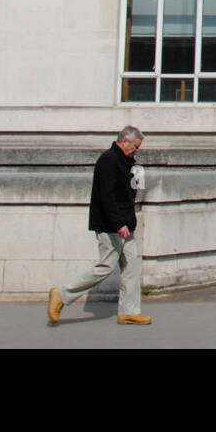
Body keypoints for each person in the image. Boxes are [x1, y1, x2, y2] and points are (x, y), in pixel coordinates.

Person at [48, 127, 150, 325]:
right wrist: (119, 223)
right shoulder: (109, 160)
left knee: (132, 266)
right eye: (136, 146)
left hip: (125, 225)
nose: (137, 150)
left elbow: (129, 194)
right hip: (110, 225)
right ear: (124, 141)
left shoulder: (128, 162)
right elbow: (107, 196)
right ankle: (61, 295)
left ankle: (129, 311)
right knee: (105, 266)